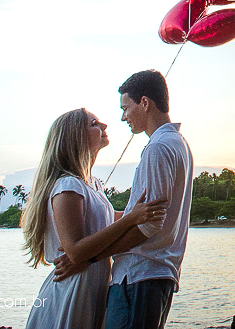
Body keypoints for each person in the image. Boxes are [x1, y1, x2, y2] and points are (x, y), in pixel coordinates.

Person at [22, 108, 167, 329]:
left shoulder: (93, 183)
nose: (104, 126)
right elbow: (75, 251)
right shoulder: (67, 187)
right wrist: (130, 219)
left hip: (91, 285)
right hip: (73, 289)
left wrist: (137, 214)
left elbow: (105, 222)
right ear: (76, 138)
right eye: (94, 123)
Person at [100, 70, 195, 329]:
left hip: (140, 274)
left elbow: (149, 223)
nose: (123, 117)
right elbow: (142, 213)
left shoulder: (159, 147)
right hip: (155, 274)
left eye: (126, 107)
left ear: (144, 102)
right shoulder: (178, 143)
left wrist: (94, 254)